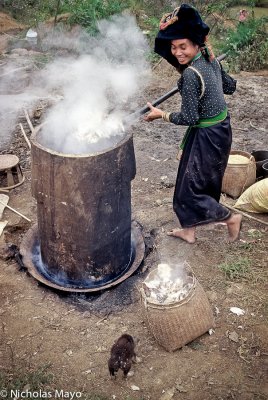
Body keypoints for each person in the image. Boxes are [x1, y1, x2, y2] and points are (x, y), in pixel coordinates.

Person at [144, 3, 242, 244]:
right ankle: (188, 230)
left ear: (196, 44)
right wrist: (214, 71)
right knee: (194, 182)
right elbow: (230, 87)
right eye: (174, 47)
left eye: (183, 46)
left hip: (207, 135)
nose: (178, 52)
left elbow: (189, 118)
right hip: (221, 130)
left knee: (191, 190)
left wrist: (161, 114)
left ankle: (230, 217)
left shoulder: (190, 74)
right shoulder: (210, 59)